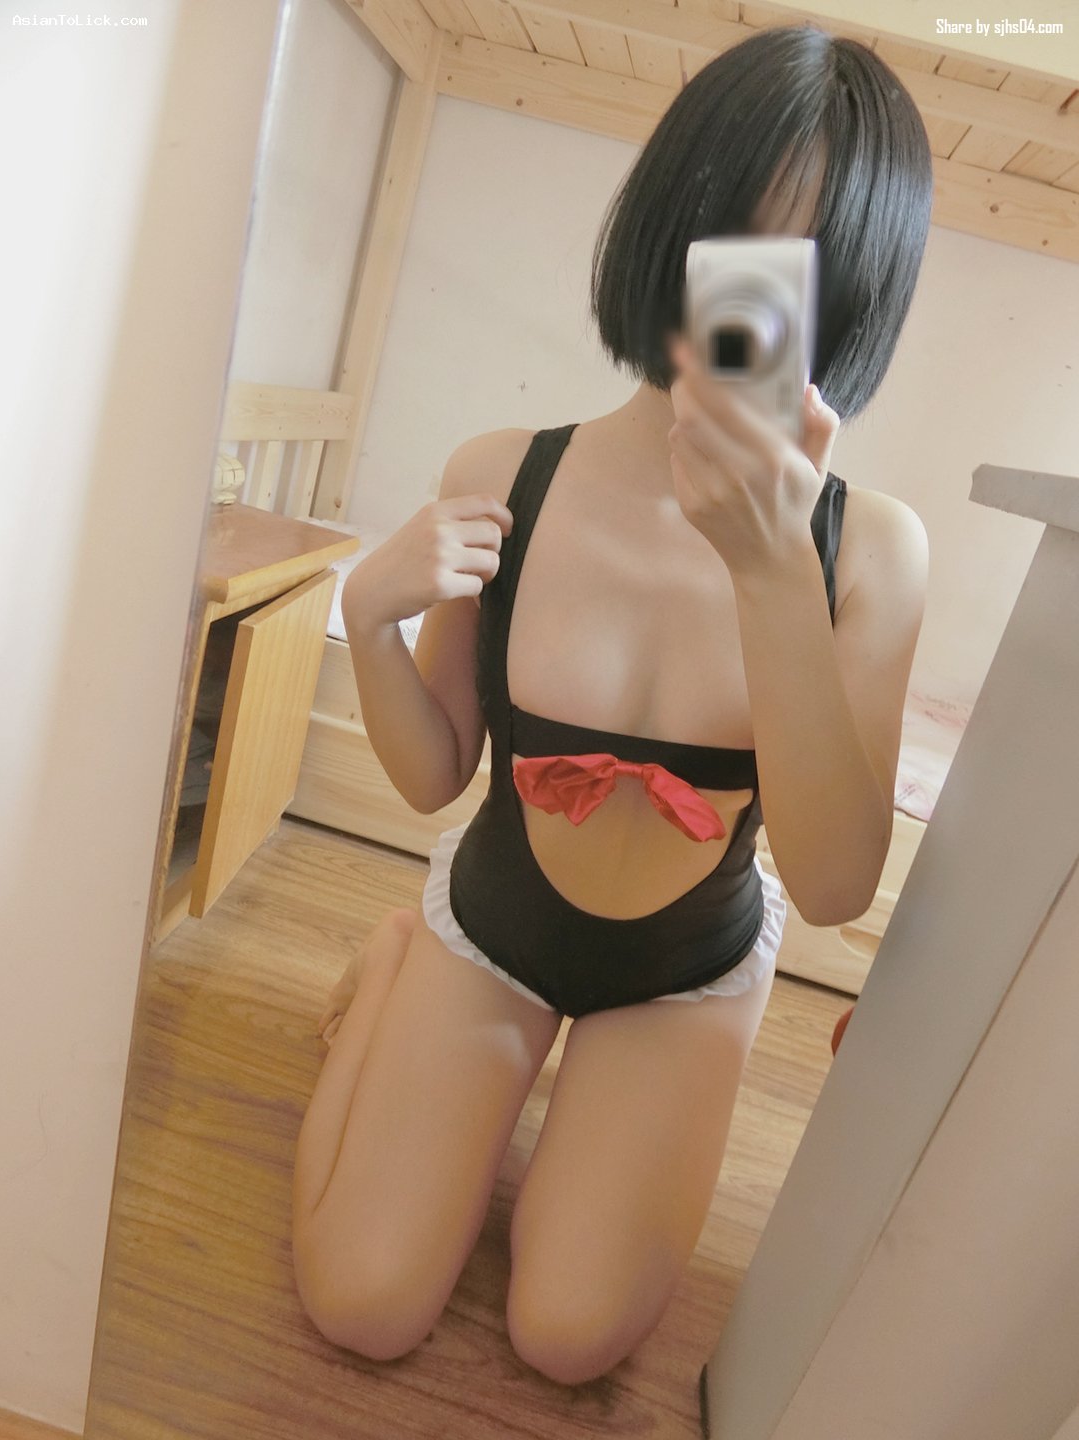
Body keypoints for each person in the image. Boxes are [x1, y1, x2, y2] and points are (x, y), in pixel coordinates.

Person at [291, 22, 933, 1386]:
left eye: (805, 264)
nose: (751, 293)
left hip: (688, 972)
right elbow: (432, 773)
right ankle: (400, 959)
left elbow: (832, 887)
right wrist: (368, 614)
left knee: (569, 1336)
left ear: (856, 292)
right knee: (362, 1303)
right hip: (494, 924)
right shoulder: (506, 473)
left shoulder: (870, 550)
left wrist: (773, 570)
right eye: (730, 232)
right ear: (668, 223)